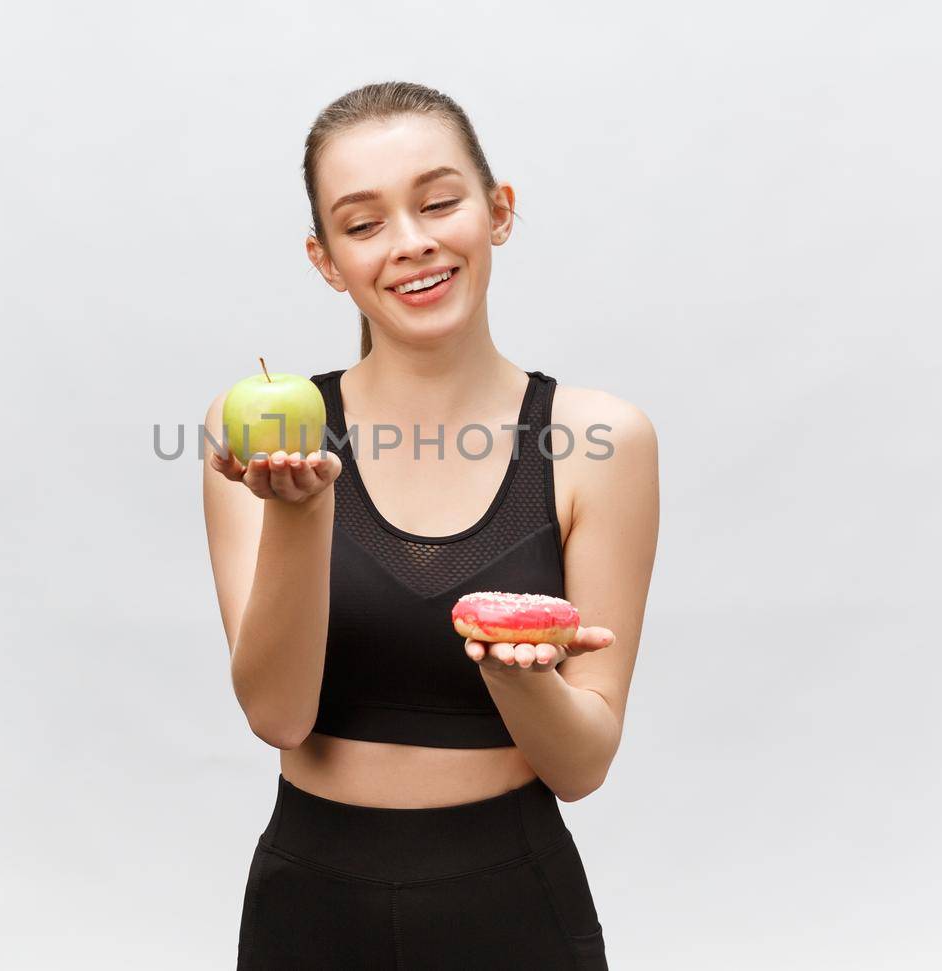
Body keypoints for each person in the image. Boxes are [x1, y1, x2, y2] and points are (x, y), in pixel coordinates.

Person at [201, 81, 660, 969]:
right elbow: (277, 713)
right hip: (310, 906)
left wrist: (518, 675)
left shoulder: (600, 441)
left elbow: (583, 765)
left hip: (512, 904)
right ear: (326, 260)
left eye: (439, 202)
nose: (411, 243)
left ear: (499, 211)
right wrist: (298, 512)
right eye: (363, 223)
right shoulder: (260, 432)